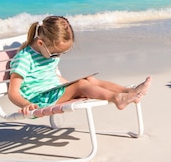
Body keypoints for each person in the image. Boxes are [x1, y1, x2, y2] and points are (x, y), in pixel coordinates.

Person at [8, 15, 151, 114]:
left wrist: (73, 85)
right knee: (81, 85)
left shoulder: (46, 52)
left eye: (61, 54)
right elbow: (13, 92)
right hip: (38, 101)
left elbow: (52, 77)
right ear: (41, 43)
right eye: (55, 53)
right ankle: (117, 99)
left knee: (89, 80)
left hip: (51, 93)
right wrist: (26, 105)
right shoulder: (24, 59)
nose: (57, 57)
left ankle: (128, 91)